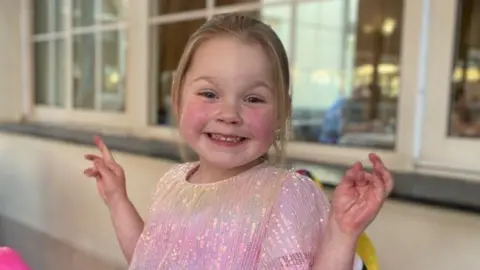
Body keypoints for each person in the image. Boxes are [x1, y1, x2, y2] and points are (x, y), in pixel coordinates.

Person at [84, 14, 394, 269]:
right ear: (178, 97)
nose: (229, 113)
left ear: (281, 113)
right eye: (209, 94)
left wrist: (342, 232)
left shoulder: (287, 195)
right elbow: (147, 258)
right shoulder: (171, 182)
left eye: (253, 98)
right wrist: (117, 200)